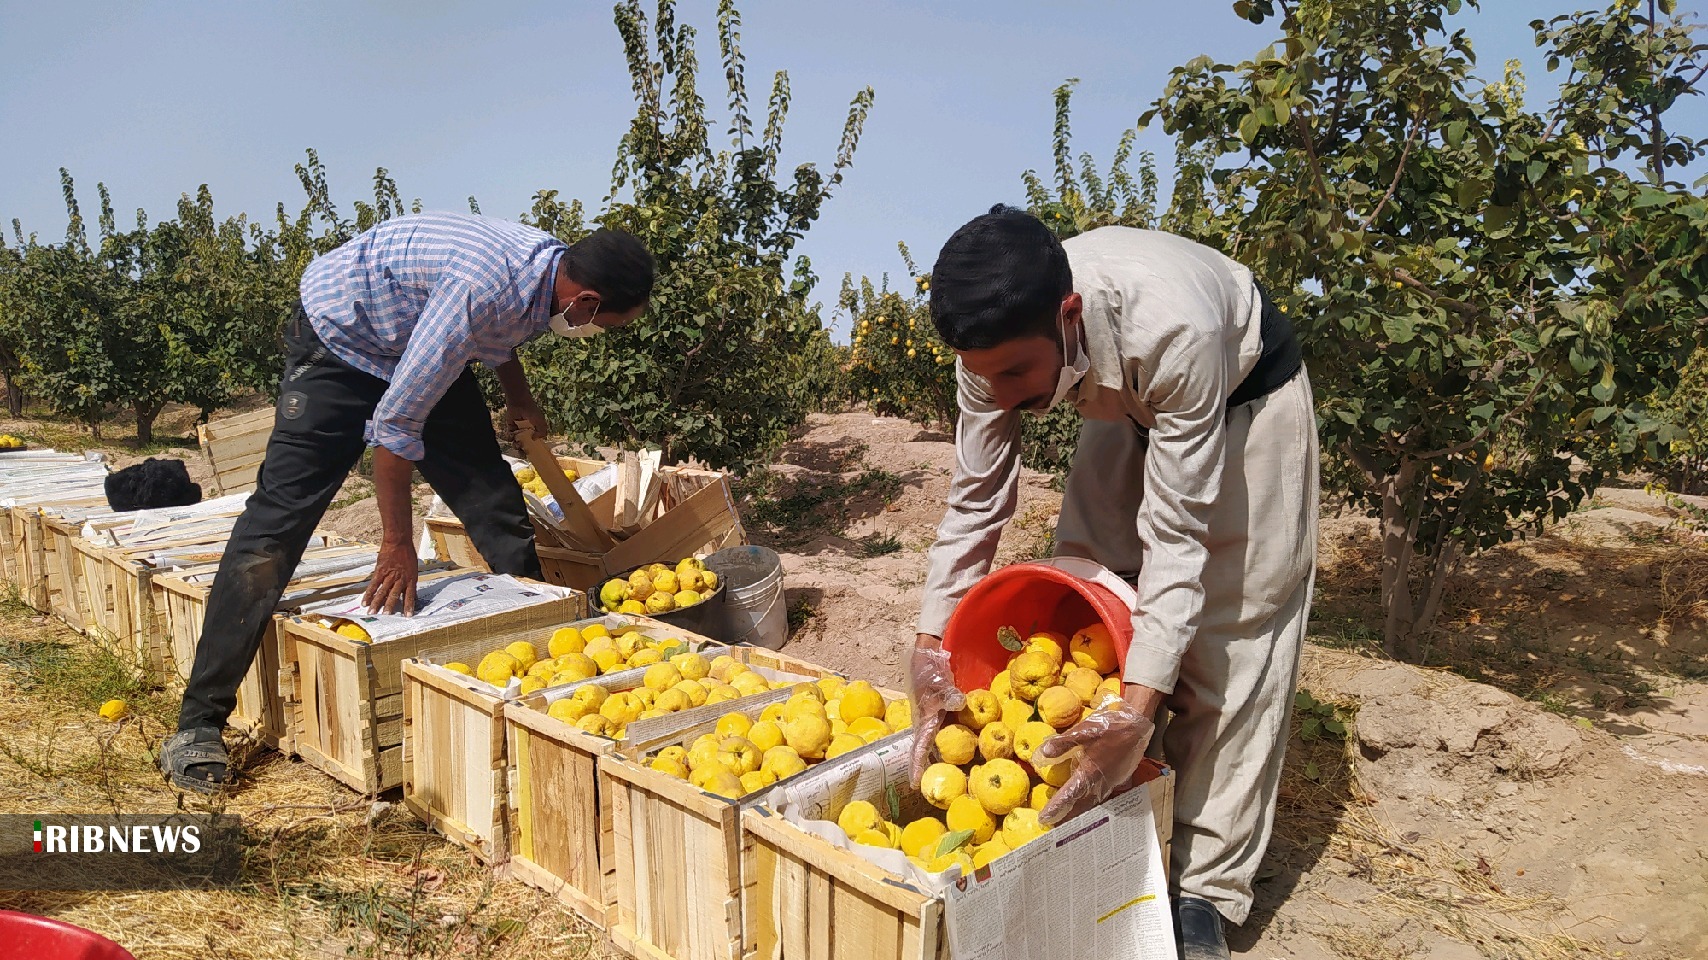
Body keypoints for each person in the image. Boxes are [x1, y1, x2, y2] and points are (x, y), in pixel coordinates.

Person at [908, 206, 1317, 960]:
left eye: (1012, 374)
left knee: (1232, 635)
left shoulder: (1174, 332)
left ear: (1069, 317)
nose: (997, 395)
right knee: (1089, 579)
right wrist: (931, 643)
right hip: (1119, 395)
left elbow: (1178, 534)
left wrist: (1138, 707)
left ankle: (1204, 888)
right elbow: (975, 500)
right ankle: (1117, 804)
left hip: (1239, 400)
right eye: (980, 376)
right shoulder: (991, 356)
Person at [160, 212, 654, 793]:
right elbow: (395, 430)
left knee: (492, 498)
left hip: (412, 338)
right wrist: (396, 544)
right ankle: (198, 725)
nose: (600, 335)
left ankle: (546, 656)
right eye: (609, 325)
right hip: (342, 340)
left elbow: (497, 334)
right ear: (589, 303)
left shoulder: (545, 277)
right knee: (278, 524)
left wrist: (518, 396)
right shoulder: (485, 288)